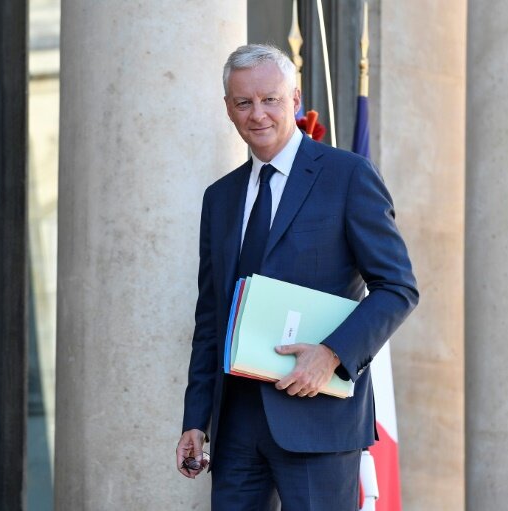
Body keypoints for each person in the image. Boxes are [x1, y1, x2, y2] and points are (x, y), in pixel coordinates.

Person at [176, 43, 418, 511]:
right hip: (237, 426)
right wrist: (196, 419)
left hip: (319, 419)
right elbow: (211, 317)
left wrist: (331, 355)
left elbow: (398, 288)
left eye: (270, 99)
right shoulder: (219, 198)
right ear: (228, 109)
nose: (258, 114)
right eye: (243, 103)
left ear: (295, 99)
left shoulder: (348, 176)